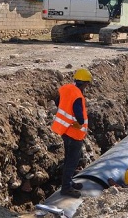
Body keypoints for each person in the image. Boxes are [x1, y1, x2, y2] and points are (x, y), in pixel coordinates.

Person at [51, 68, 93, 198]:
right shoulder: (78, 95)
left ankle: (69, 182)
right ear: (85, 83)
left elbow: (58, 102)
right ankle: (66, 188)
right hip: (74, 134)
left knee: (69, 158)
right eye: (87, 84)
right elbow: (80, 117)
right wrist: (77, 122)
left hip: (65, 131)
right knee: (72, 161)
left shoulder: (67, 89)